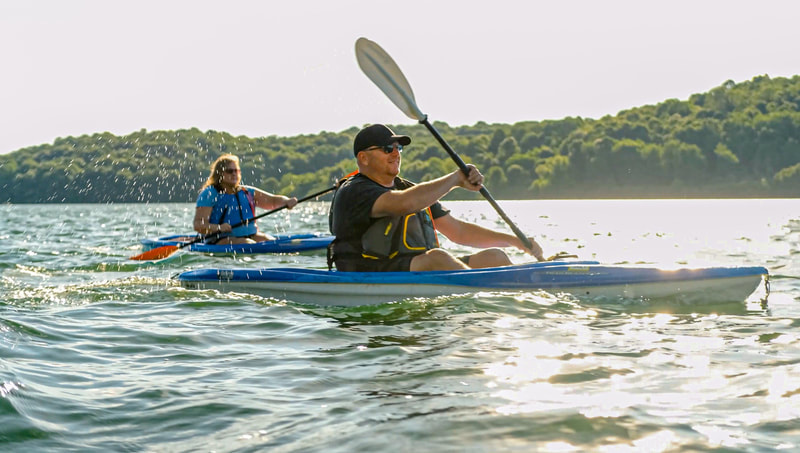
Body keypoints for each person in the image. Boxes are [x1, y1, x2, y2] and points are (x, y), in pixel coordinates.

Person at [328, 124, 544, 272]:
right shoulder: (354, 191)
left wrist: (516, 241)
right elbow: (402, 203)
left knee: (494, 257)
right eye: (387, 149)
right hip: (369, 271)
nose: (396, 153)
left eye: (398, 147)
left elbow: (458, 232)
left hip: (416, 267)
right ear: (363, 158)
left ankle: (522, 288)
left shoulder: (410, 189)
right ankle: (482, 293)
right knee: (438, 258)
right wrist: (455, 179)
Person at [193, 154, 298, 244]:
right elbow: (198, 225)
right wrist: (219, 228)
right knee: (248, 243)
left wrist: (287, 201)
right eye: (230, 171)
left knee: (271, 241)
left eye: (237, 171)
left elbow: (273, 201)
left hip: (251, 235)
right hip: (220, 239)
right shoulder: (210, 193)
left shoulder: (247, 192)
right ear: (220, 173)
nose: (234, 174)